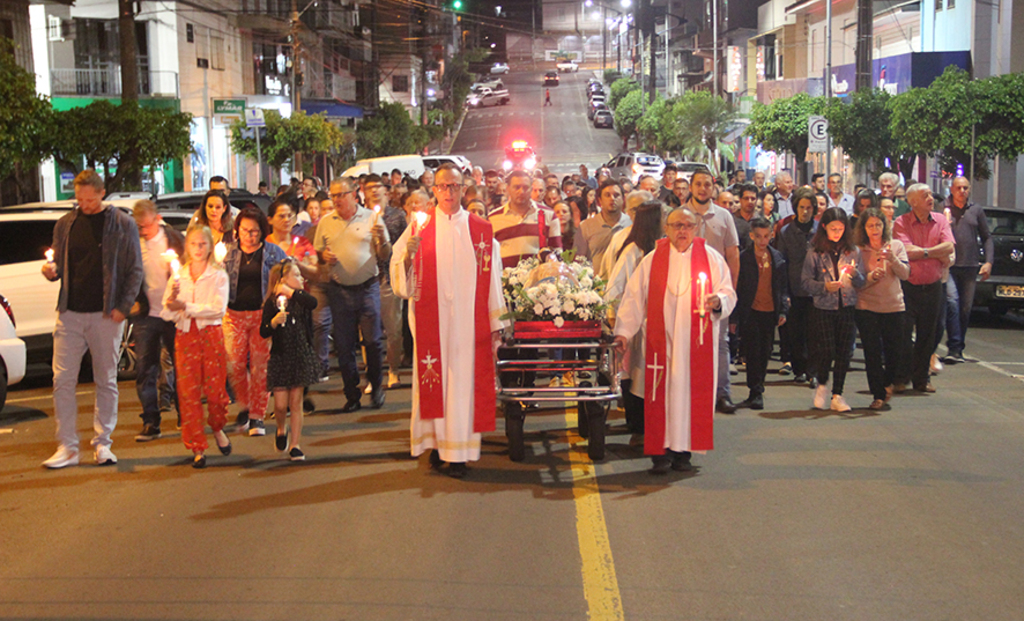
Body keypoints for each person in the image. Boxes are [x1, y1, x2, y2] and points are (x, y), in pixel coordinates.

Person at [390, 163, 509, 478]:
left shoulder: (481, 230)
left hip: (470, 327)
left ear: (463, 188)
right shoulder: (419, 229)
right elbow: (400, 278)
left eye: (454, 186)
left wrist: (496, 325)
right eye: (442, 186)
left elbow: (494, 278)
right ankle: (435, 446)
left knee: (462, 387)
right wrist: (408, 259)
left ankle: (458, 453)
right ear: (434, 190)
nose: (448, 192)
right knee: (434, 383)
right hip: (434, 325)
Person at [613, 207, 737, 474]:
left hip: (696, 346)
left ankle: (684, 453)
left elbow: (728, 292)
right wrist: (623, 332)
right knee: (662, 396)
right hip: (661, 344)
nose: (682, 231)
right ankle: (661, 454)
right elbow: (634, 298)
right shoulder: (652, 260)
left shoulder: (712, 259)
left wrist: (718, 301)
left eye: (688, 225)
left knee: (690, 397)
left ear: (696, 228)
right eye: (676, 225)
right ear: (666, 229)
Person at [40, 170, 144, 469]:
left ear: (101, 194)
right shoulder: (65, 224)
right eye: (79, 199)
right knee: (62, 380)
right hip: (70, 312)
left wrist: (123, 306)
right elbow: (59, 263)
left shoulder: (122, 223)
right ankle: (67, 446)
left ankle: (103, 443)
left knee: (106, 380)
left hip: (105, 313)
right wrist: (51, 271)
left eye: (89, 199)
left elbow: (135, 268)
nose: (84, 204)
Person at [315, 177, 391, 413]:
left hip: (367, 287)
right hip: (340, 290)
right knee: (345, 345)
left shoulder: (372, 218)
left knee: (372, 341)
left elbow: (385, 254)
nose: (337, 199)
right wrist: (324, 257)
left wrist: (380, 240)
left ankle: (376, 386)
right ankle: (352, 394)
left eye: (341, 194)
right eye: (333, 195)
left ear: (353, 194)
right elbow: (318, 251)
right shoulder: (326, 222)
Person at [162, 225, 232, 468]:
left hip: (209, 335)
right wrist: (174, 306)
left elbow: (218, 308)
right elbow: (167, 308)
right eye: (193, 244)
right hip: (185, 337)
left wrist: (187, 308)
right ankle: (197, 446)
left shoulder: (218, 275)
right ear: (187, 247)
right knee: (188, 392)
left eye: (202, 244)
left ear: (210, 246)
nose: (198, 249)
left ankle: (218, 427)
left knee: (215, 390)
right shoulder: (178, 275)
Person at [223, 207, 288, 436]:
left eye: (254, 231)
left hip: (262, 315)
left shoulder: (273, 252)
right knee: (235, 364)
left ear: (262, 231)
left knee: (261, 367)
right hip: (233, 315)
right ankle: (246, 405)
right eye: (245, 230)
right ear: (237, 231)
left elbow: (288, 274)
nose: (250, 235)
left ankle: (257, 416)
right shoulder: (227, 254)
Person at [605, 201, 666, 435]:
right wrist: (617, 321)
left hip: (654, 322)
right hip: (636, 324)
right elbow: (615, 286)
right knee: (634, 374)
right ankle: (636, 424)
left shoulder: (657, 249)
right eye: (663, 217)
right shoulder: (633, 251)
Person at [682, 168, 740, 414]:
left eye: (707, 184)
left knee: (720, 342)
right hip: (686, 289)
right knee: (685, 341)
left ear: (713, 187)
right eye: (698, 184)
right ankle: (687, 392)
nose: (703, 188)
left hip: (716, 290)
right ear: (691, 187)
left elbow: (733, 254)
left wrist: (730, 292)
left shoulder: (725, 216)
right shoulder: (680, 215)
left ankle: (722, 393)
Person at [892, 183, 955, 394]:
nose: (930, 197)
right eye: (925, 195)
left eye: (930, 194)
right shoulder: (901, 223)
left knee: (928, 335)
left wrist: (923, 252)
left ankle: (921, 379)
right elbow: (906, 251)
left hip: (933, 286)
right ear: (913, 202)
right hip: (908, 286)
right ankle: (901, 377)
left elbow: (949, 247)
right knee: (903, 335)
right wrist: (933, 253)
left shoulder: (941, 220)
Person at [801, 207, 865, 411]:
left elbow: (862, 281)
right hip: (823, 307)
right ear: (824, 228)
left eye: (840, 228)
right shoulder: (815, 252)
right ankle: (822, 384)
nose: (837, 232)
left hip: (847, 306)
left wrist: (855, 275)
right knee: (826, 349)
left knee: (844, 351)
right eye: (832, 228)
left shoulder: (853, 251)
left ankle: (838, 394)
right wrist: (823, 287)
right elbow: (804, 282)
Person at [132, 200, 184, 441]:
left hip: (173, 314)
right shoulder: (134, 245)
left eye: (146, 226)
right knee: (145, 369)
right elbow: (128, 274)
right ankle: (151, 421)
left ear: (157, 219)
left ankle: (186, 415)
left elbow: (189, 269)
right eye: (139, 227)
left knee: (181, 366)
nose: (143, 231)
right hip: (147, 315)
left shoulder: (173, 239)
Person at [260, 259, 319, 461]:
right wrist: (274, 323)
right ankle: (280, 428)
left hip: (300, 354)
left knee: (296, 402)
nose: (301, 278)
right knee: (280, 405)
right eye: (296, 275)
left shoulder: (301, 299)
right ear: (282, 279)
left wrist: (291, 291)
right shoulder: (272, 303)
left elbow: (313, 304)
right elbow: (263, 331)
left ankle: (295, 444)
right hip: (280, 356)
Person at [853, 207, 910, 410]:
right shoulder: (859, 250)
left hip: (893, 306)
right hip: (867, 307)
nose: (874, 229)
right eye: (870, 226)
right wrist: (871, 277)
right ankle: (877, 394)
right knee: (872, 353)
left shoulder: (896, 245)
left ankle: (887, 382)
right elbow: (857, 282)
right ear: (864, 228)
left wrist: (892, 259)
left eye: (878, 225)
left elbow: (905, 274)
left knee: (894, 352)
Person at [734, 217, 788, 411]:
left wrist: (783, 310)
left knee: (765, 352)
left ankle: (758, 388)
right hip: (751, 311)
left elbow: (782, 288)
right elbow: (739, 288)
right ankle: (754, 391)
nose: (762, 240)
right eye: (758, 236)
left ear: (771, 236)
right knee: (752, 352)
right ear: (751, 236)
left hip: (770, 311)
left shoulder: (777, 258)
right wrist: (735, 317)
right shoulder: (744, 258)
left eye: (766, 236)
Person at [942, 176, 992, 363]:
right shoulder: (943, 208)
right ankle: (953, 347)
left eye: (965, 188)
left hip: (970, 267)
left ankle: (958, 347)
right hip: (950, 266)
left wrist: (988, 262)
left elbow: (987, 237)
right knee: (952, 303)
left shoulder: (976, 210)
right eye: (959, 188)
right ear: (952, 189)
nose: (962, 191)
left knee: (965, 309)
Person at [365, 173, 408, 390]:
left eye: (377, 187)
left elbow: (403, 246)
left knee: (393, 329)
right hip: (367, 280)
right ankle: (373, 375)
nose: (374, 191)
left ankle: (393, 370)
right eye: (369, 187)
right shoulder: (361, 217)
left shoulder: (397, 216)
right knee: (369, 333)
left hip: (389, 279)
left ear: (386, 191)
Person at [776, 187, 819, 383]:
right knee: (795, 332)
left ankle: (813, 371)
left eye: (809, 207)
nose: (805, 211)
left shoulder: (820, 230)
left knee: (814, 332)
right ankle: (798, 368)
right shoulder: (786, 232)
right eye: (801, 207)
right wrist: (783, 292)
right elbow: (781, 261)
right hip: (794, 288)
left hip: (816, 289)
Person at [490, 169, 562, 269]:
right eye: (517, 187)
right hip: (504, 281)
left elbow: (557, 252)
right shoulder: (493, 218)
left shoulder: (548, 215)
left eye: (526, 187)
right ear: (508, 189)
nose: (521, 191)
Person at [576, 179, 631, 280]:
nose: (612, 198)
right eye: (607, 195)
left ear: (623, 199)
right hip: (596, 287)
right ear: (600, 200)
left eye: (616, 195)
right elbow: (578, 262)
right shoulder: (586, 226)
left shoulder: (631, 225)